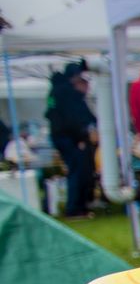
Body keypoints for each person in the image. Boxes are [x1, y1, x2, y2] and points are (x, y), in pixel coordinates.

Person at [47, 63, 98, 217]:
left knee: (77, 171)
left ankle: (78, 206)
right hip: (71, 139)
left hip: (64, 137)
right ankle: (75, 208)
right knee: (77, 172)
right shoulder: (68, 94)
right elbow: (73, 119)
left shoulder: (57, 92)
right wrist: (80, 138)